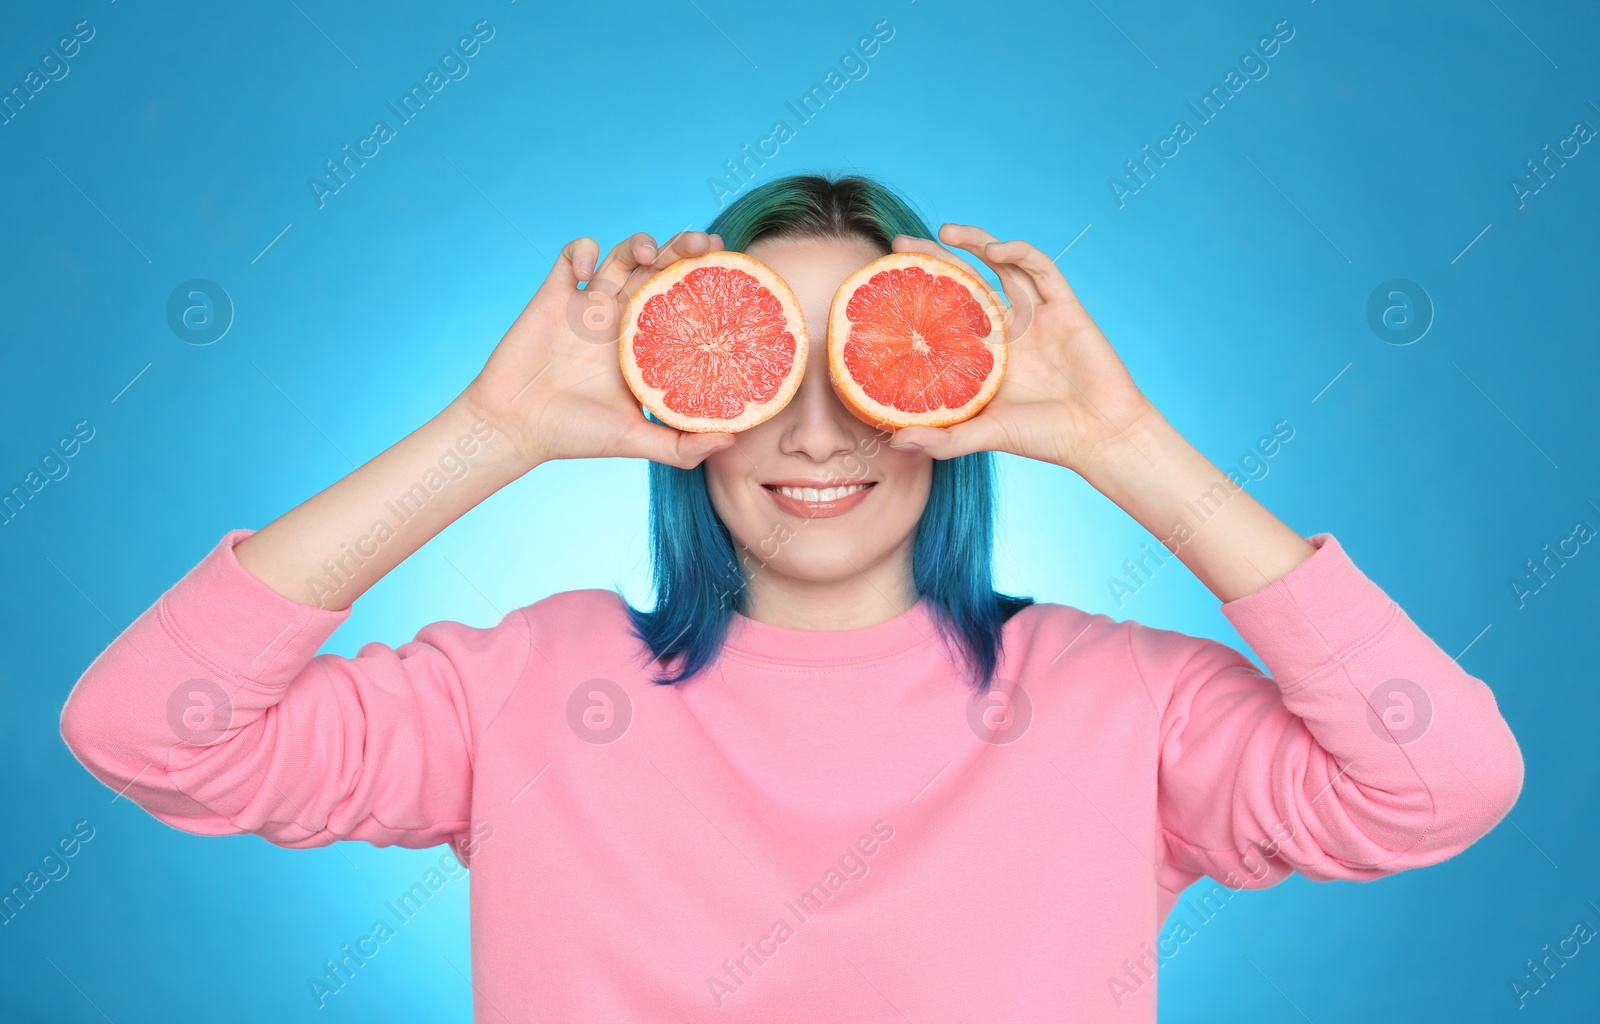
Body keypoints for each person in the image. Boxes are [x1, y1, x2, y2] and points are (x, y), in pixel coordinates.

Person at [59, 174, 1523, 1021]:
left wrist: (1122, 444)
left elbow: (1441, 782)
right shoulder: (521, 691)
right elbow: (146, 732)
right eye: (760, 365)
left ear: (961, 401)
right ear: (673, 391)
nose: (817, 429)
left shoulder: (1113, 700)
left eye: (875, 364)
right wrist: (487, 435)